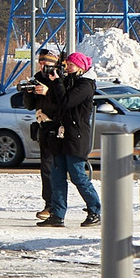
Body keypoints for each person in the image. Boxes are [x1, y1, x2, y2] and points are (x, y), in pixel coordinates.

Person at [32, 51, 102, 227]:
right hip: (61, 135)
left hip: (76, 137)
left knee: (78, 176)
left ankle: (95, 210)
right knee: (57, 176)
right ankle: (57, 214)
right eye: (66, 65)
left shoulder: (85, 85)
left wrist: (56, 83)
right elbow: (57, 101)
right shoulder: (70, 81)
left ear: (80, 67)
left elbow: (66, 101)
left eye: (70, 65)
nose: (67, 68)